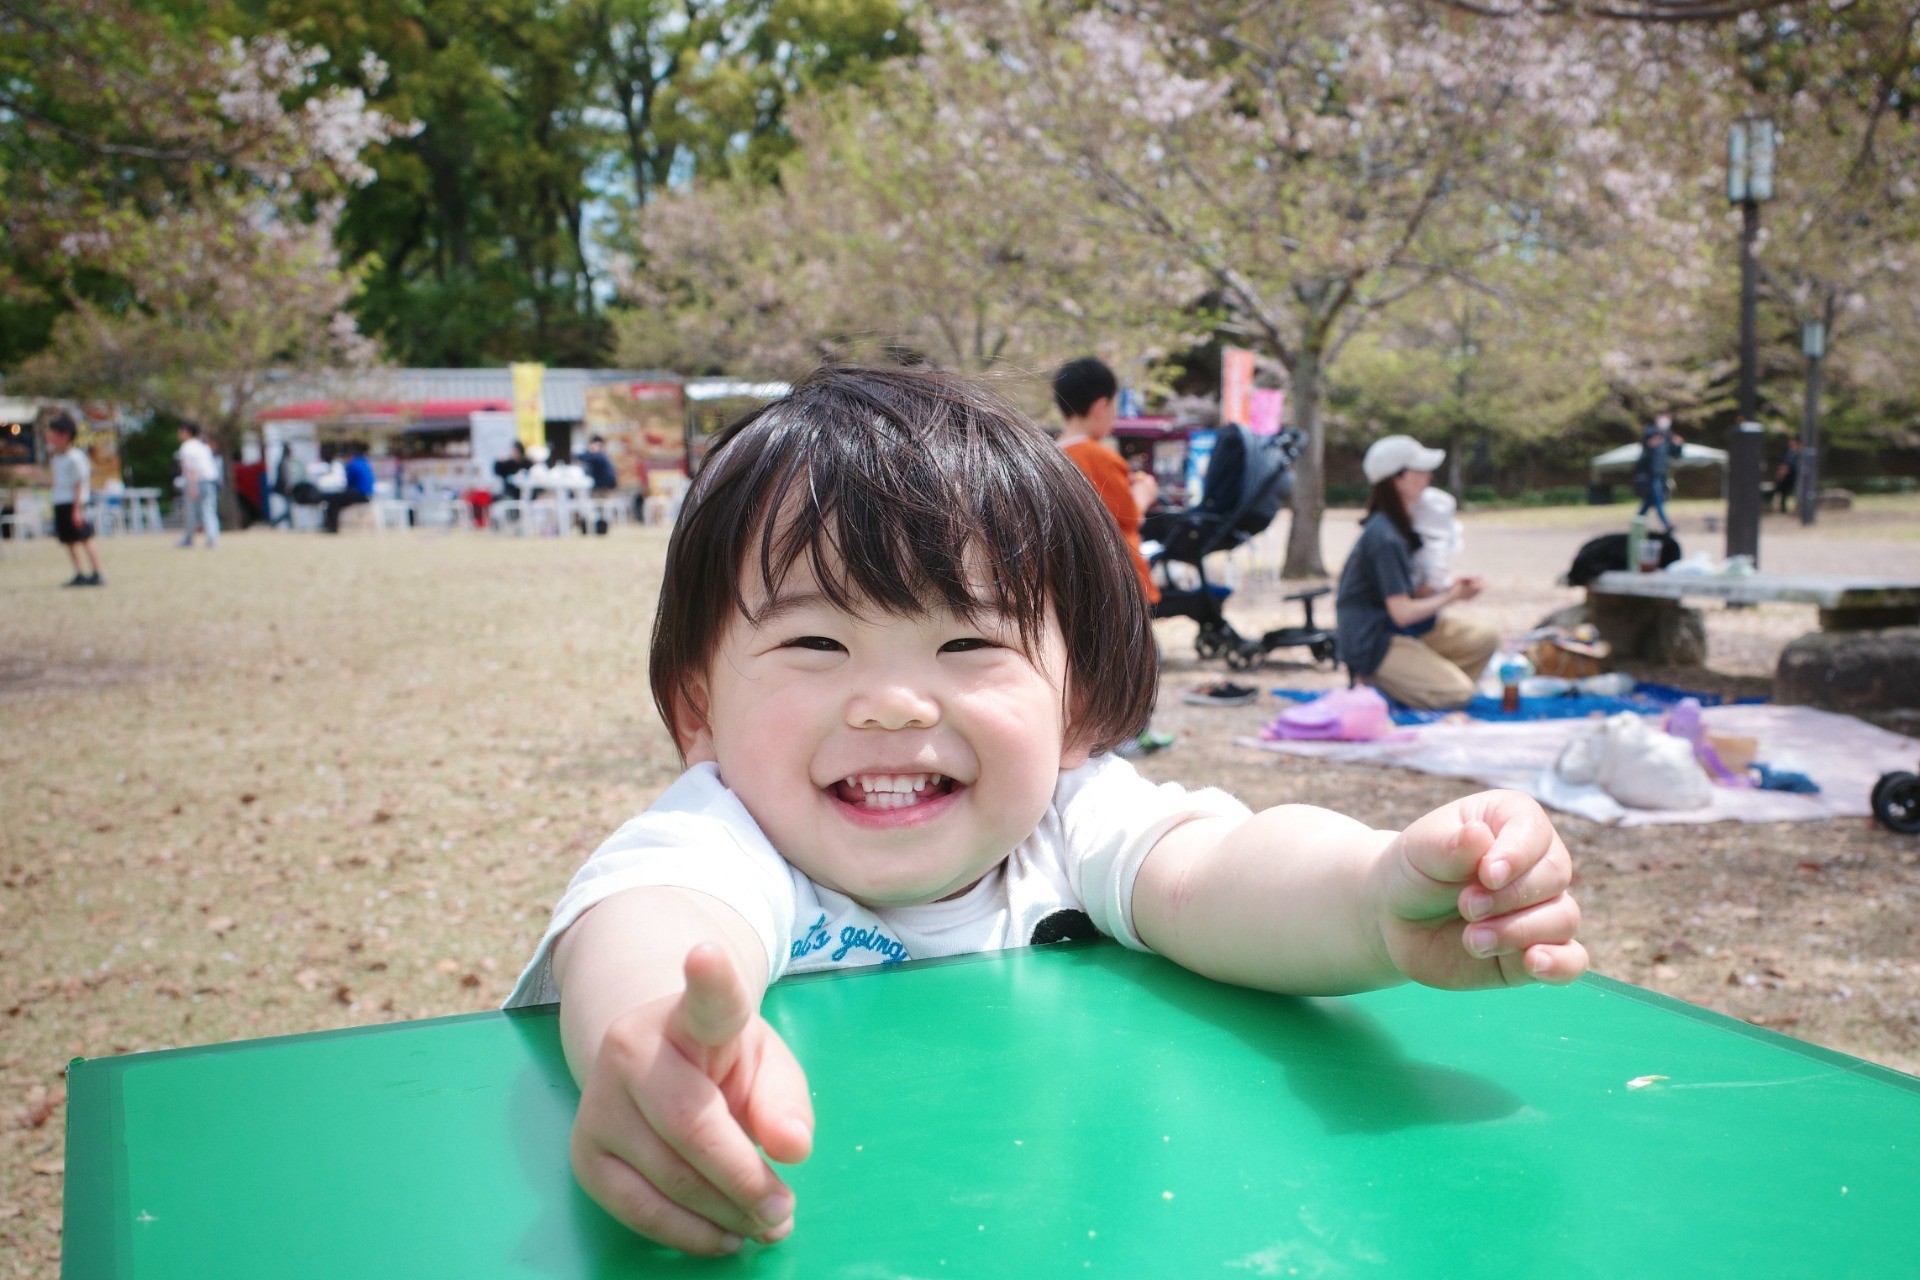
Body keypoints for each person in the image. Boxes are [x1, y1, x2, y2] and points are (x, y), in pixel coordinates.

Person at [505, 366, 1586, 1256]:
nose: (891, 699)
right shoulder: (730, 832)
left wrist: (1373, 896)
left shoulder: (1070, 819)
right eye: (814, 644)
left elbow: (1216, 869)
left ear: (1075, 700)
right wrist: (647, 1044)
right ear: (698, 707)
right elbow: (647, 917)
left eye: (969, 643)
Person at [1335, 435, 1498, 711]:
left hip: (1404, 630)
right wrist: (1453, 596)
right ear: (1397, 480)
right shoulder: (1384, 536)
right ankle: (1384, 683)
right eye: (1420, 471)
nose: (1429, 476)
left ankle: (1419, 682)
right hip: (1376, 641)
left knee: (1486, 637)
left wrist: (1448, 588)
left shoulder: (1400, 527)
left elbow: (1411, 595)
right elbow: (1402, 612)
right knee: (1458, 693)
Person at [47, 414, 103, 587]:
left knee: (85, 537)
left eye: (54, 434)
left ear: (65, 435)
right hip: (61, 501)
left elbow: (80, 483)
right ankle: (79, 572)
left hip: (75, 502)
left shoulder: (76, 457)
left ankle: (96, 572)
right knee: (69, 540)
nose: (51, 437)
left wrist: (77, 509)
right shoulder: (56, 458)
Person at [1633, 414, 1684, 533]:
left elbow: (1676, 454)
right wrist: (1651, 442)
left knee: (1648, 502)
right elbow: (1645, 444)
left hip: (1662, 474)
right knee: (1658, 499)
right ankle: (1667, 524)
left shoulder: (1668, 437)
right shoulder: (1650, 431)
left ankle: (1637, 521)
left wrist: (1679, 445)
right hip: (1650, 475)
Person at [175, 423, 221, 548]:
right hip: (211, 481)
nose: (179, 434)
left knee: (191, 512)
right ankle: (213, 540)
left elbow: (191, 469)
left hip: (196, 481)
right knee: (209, 511)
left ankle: (189, 539)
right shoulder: (203, 446)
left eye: (181, 431)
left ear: (187, 432)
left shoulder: (187, 447)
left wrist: (193, 487)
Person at [322, 441, 375, 533]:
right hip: (368, 494)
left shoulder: (352, 464)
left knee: (333, 501)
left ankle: (332, 527)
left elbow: (350, 484)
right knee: (336, 499)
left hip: (360, 495)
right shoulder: (364, 462)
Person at [1775, 439, 1802, 514]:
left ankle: (1797, 508)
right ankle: (1783, 507)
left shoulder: (1800, 452)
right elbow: (1786, 464)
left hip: (1797, 475)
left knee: (1797, 491)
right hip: (1789, 476)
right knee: (1781, 487)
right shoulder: (1790, 452)